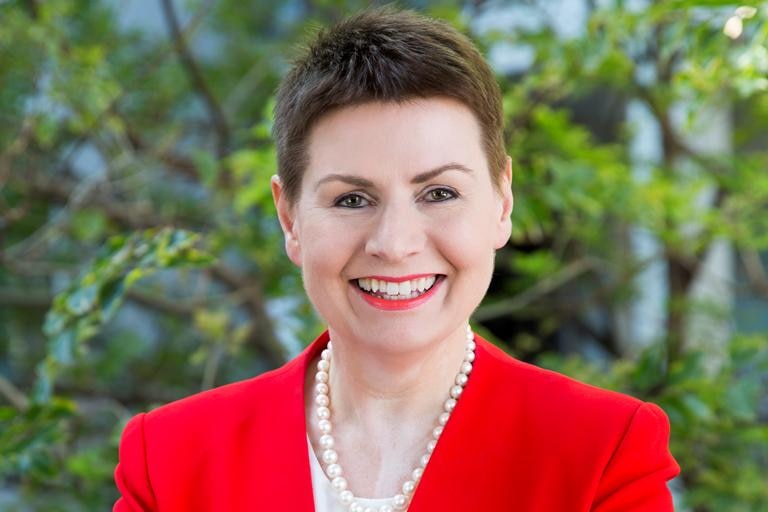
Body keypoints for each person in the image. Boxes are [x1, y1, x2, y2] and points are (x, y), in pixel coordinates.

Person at [113, 7, 680, 512]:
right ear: (290, 219)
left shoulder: (602, 453)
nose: (395, 243)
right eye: (352, 199)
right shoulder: (169, 461)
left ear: (502, 203)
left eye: (439, 194)